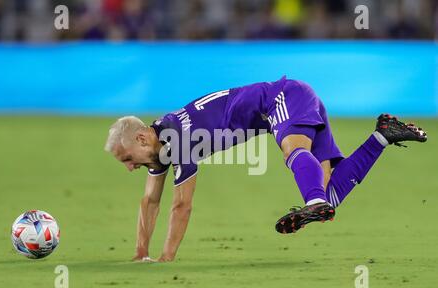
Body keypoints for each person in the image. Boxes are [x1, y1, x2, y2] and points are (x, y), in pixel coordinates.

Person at [104, 76, 427, 262]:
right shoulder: (161, 141)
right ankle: (383, 135)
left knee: (294, 150)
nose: (130, 167)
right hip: (290, 102)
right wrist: (141, 253)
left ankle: (312, 202)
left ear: (143, 138)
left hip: (282, 98)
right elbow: (150, 199)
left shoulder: (178, 139)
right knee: (331, 196)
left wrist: (166, 259)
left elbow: (181, 204)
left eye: (126, 158)